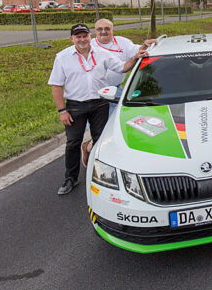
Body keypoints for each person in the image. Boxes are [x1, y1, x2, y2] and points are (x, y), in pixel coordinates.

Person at [48, 24, 149, 195]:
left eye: (84, 36)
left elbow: (122, 67)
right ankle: (70, 178)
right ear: (72, 39)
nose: (82, 40)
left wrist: (136, 56)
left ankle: (101, 175)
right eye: (78, 37)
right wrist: (62, 111)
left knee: (101, 141)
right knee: (72, 142)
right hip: (75, 106)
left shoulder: (102, 54)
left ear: (89, 36)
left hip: (100, 103)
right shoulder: (63, 57)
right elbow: (56, 85)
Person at [91, 18, 156, 115]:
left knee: (117, 121)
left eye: (107, 29)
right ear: (95, 31)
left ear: (113, 30)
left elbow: (137, 51)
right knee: (96, 126)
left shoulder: (122, 42)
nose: (103, 31)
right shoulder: (89, 45)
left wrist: (145, 46)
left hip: (115, 91)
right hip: (94, 93)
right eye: (99, 29)